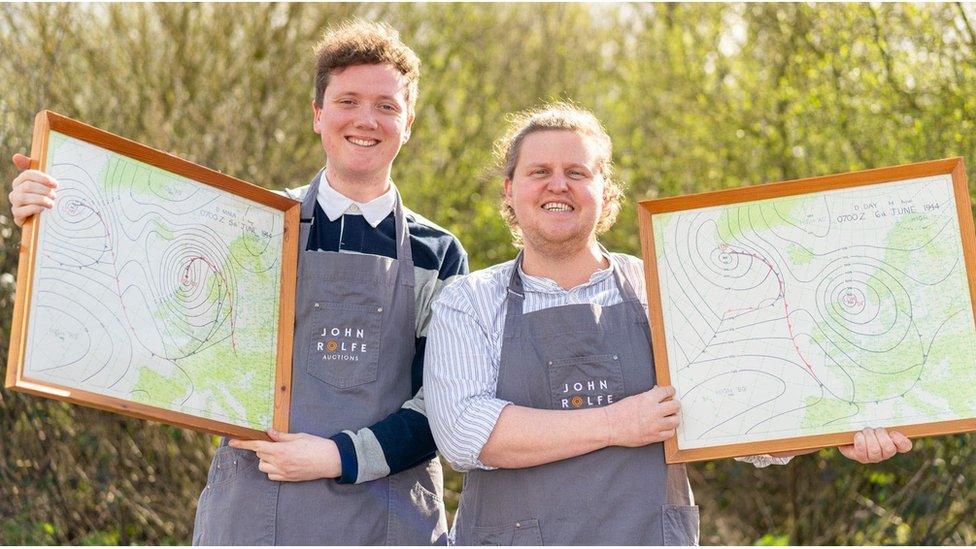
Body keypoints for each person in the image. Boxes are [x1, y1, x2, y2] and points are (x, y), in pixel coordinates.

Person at [8, 20, 467, 545]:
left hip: (388, 523)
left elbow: (444, 406)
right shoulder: (251, 224)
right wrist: (51, 213)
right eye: (348, 101)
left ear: (409, 122)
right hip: (256, 513)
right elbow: (138, 290)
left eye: (386, 105)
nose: (367, 119)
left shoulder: (440, 253)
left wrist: (336, 455)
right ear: (317, 115)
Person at [423, 103, 913, 545]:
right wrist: (618, 423)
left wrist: (835, 426)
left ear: (604, 191)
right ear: (510, 189)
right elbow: (465, 435)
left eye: (577, 172)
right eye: (540, 172)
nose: (559, 185)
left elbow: (738, 406)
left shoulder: (663, 286)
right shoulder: (469, 302)